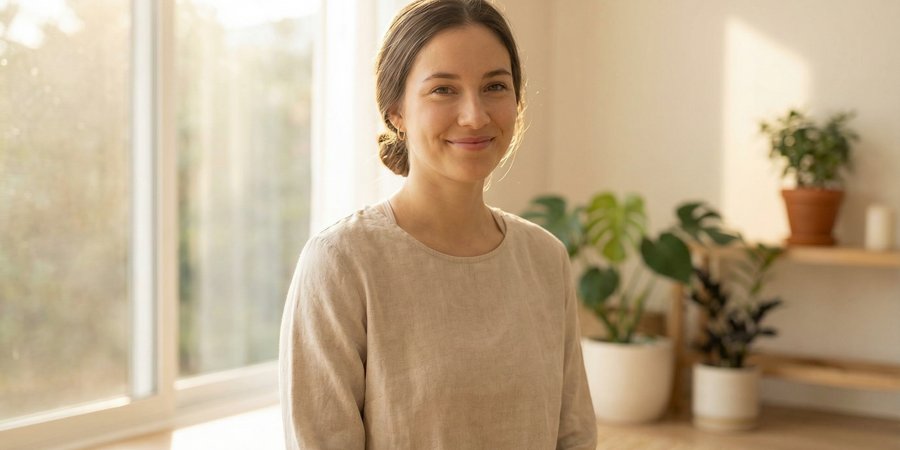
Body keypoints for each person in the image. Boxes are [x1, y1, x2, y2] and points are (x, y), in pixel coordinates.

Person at [279, 0, 597, 448]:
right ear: (396, 111)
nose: (475, 115)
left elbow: (574, 436)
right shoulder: (342, 262)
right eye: (444, 90)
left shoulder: (545, 259)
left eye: (495, 86)